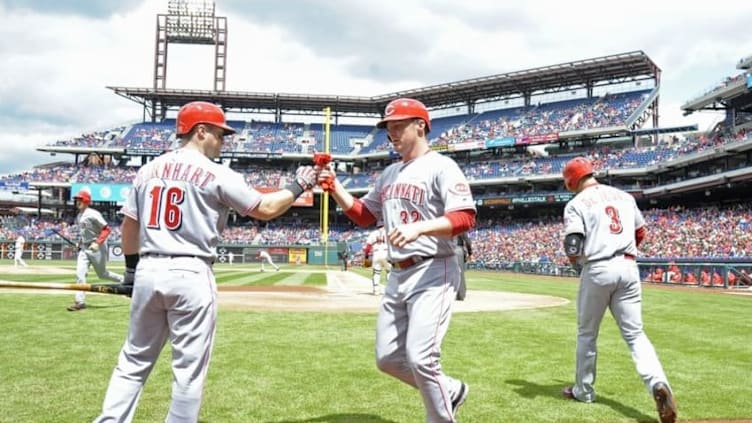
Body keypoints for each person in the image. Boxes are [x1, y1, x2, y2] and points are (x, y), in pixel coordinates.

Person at [93, 101, 318, 423]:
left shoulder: (147, 170)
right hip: (190, 270)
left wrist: (130, 270)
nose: (223, 140)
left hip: (148, 267)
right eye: (219, 134)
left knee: (132, 361)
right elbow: (265, 209)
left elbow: (130, 224)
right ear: (200, 131)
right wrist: (299, 185)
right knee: (188, 369)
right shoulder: (216, 172)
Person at [316, 97, 476, 422]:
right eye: (389, 128)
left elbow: (464, 217)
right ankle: (451, 390)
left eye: (399, 126)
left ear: (421, 126)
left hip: (434, 268)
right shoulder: (389, 173)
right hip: (398, 274)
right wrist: (335, 188)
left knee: (421, 357)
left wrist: (420, 228)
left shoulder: (442, 166)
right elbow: (365, 215)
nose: (392, 133)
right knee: (388, 358)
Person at [560, 157, 677, 423]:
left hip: (598, 268)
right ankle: (657, 382)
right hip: (628, 266)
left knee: (587, 334)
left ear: (571, 180)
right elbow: (640, 233)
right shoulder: (624, 196)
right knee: (635, 334)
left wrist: (578, 263)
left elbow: (574, 245)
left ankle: (584, 391)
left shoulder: (576, 203)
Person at [67, 189, 124, 311]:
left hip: (97, 247)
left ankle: (123, 281)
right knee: (80, 275)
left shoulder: (93, 213)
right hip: (84, 248)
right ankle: (80, 302)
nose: (77, 201)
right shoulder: (79, 216)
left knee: (102, 274)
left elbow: (106, 229)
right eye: (77, 199)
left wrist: (97, 243)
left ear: (86, 201)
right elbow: (84, 233)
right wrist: (80, 243)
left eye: (80, 199)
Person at [364, 226, 391, 295]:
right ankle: (389, 290)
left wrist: (366, 255)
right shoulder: (389, 230)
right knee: (389, 272)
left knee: (376, 273)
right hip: (386, 253)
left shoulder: (373, 233)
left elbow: (368, 246)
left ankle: (376, 290)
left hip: (376, 253)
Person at [454, 232, 472, 301]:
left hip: (448, 250)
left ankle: (450, 293)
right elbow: (467, 241)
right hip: (458, 250)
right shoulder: (461, 228)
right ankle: (460, 295)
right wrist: (470, 253)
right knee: (460, 273)